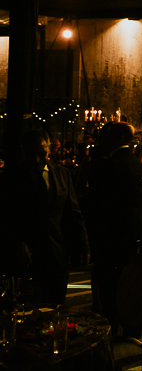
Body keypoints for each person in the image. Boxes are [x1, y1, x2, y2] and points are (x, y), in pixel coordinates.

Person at [0, 129, 89, 305]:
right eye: (31, 154)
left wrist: (82, 246)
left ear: (49, 150)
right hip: (26, 257)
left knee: (55, 306)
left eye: (42, 154)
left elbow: (73, 213)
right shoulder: (10, 179)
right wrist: (17, 242)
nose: (37, 160)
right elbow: (5, 216)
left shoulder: (62, 174)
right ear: (23, 151)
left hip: (57, 253)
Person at [88, 122, 142, 330]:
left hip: (112, 230)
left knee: (109, 280)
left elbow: (97, 195)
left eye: (107, 136)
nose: (103, 140)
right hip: (130, 229)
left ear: (119, 138)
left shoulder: (111, 164)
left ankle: (110, 320)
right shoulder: (133, 160)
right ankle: (124, 319)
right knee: (124, 278)